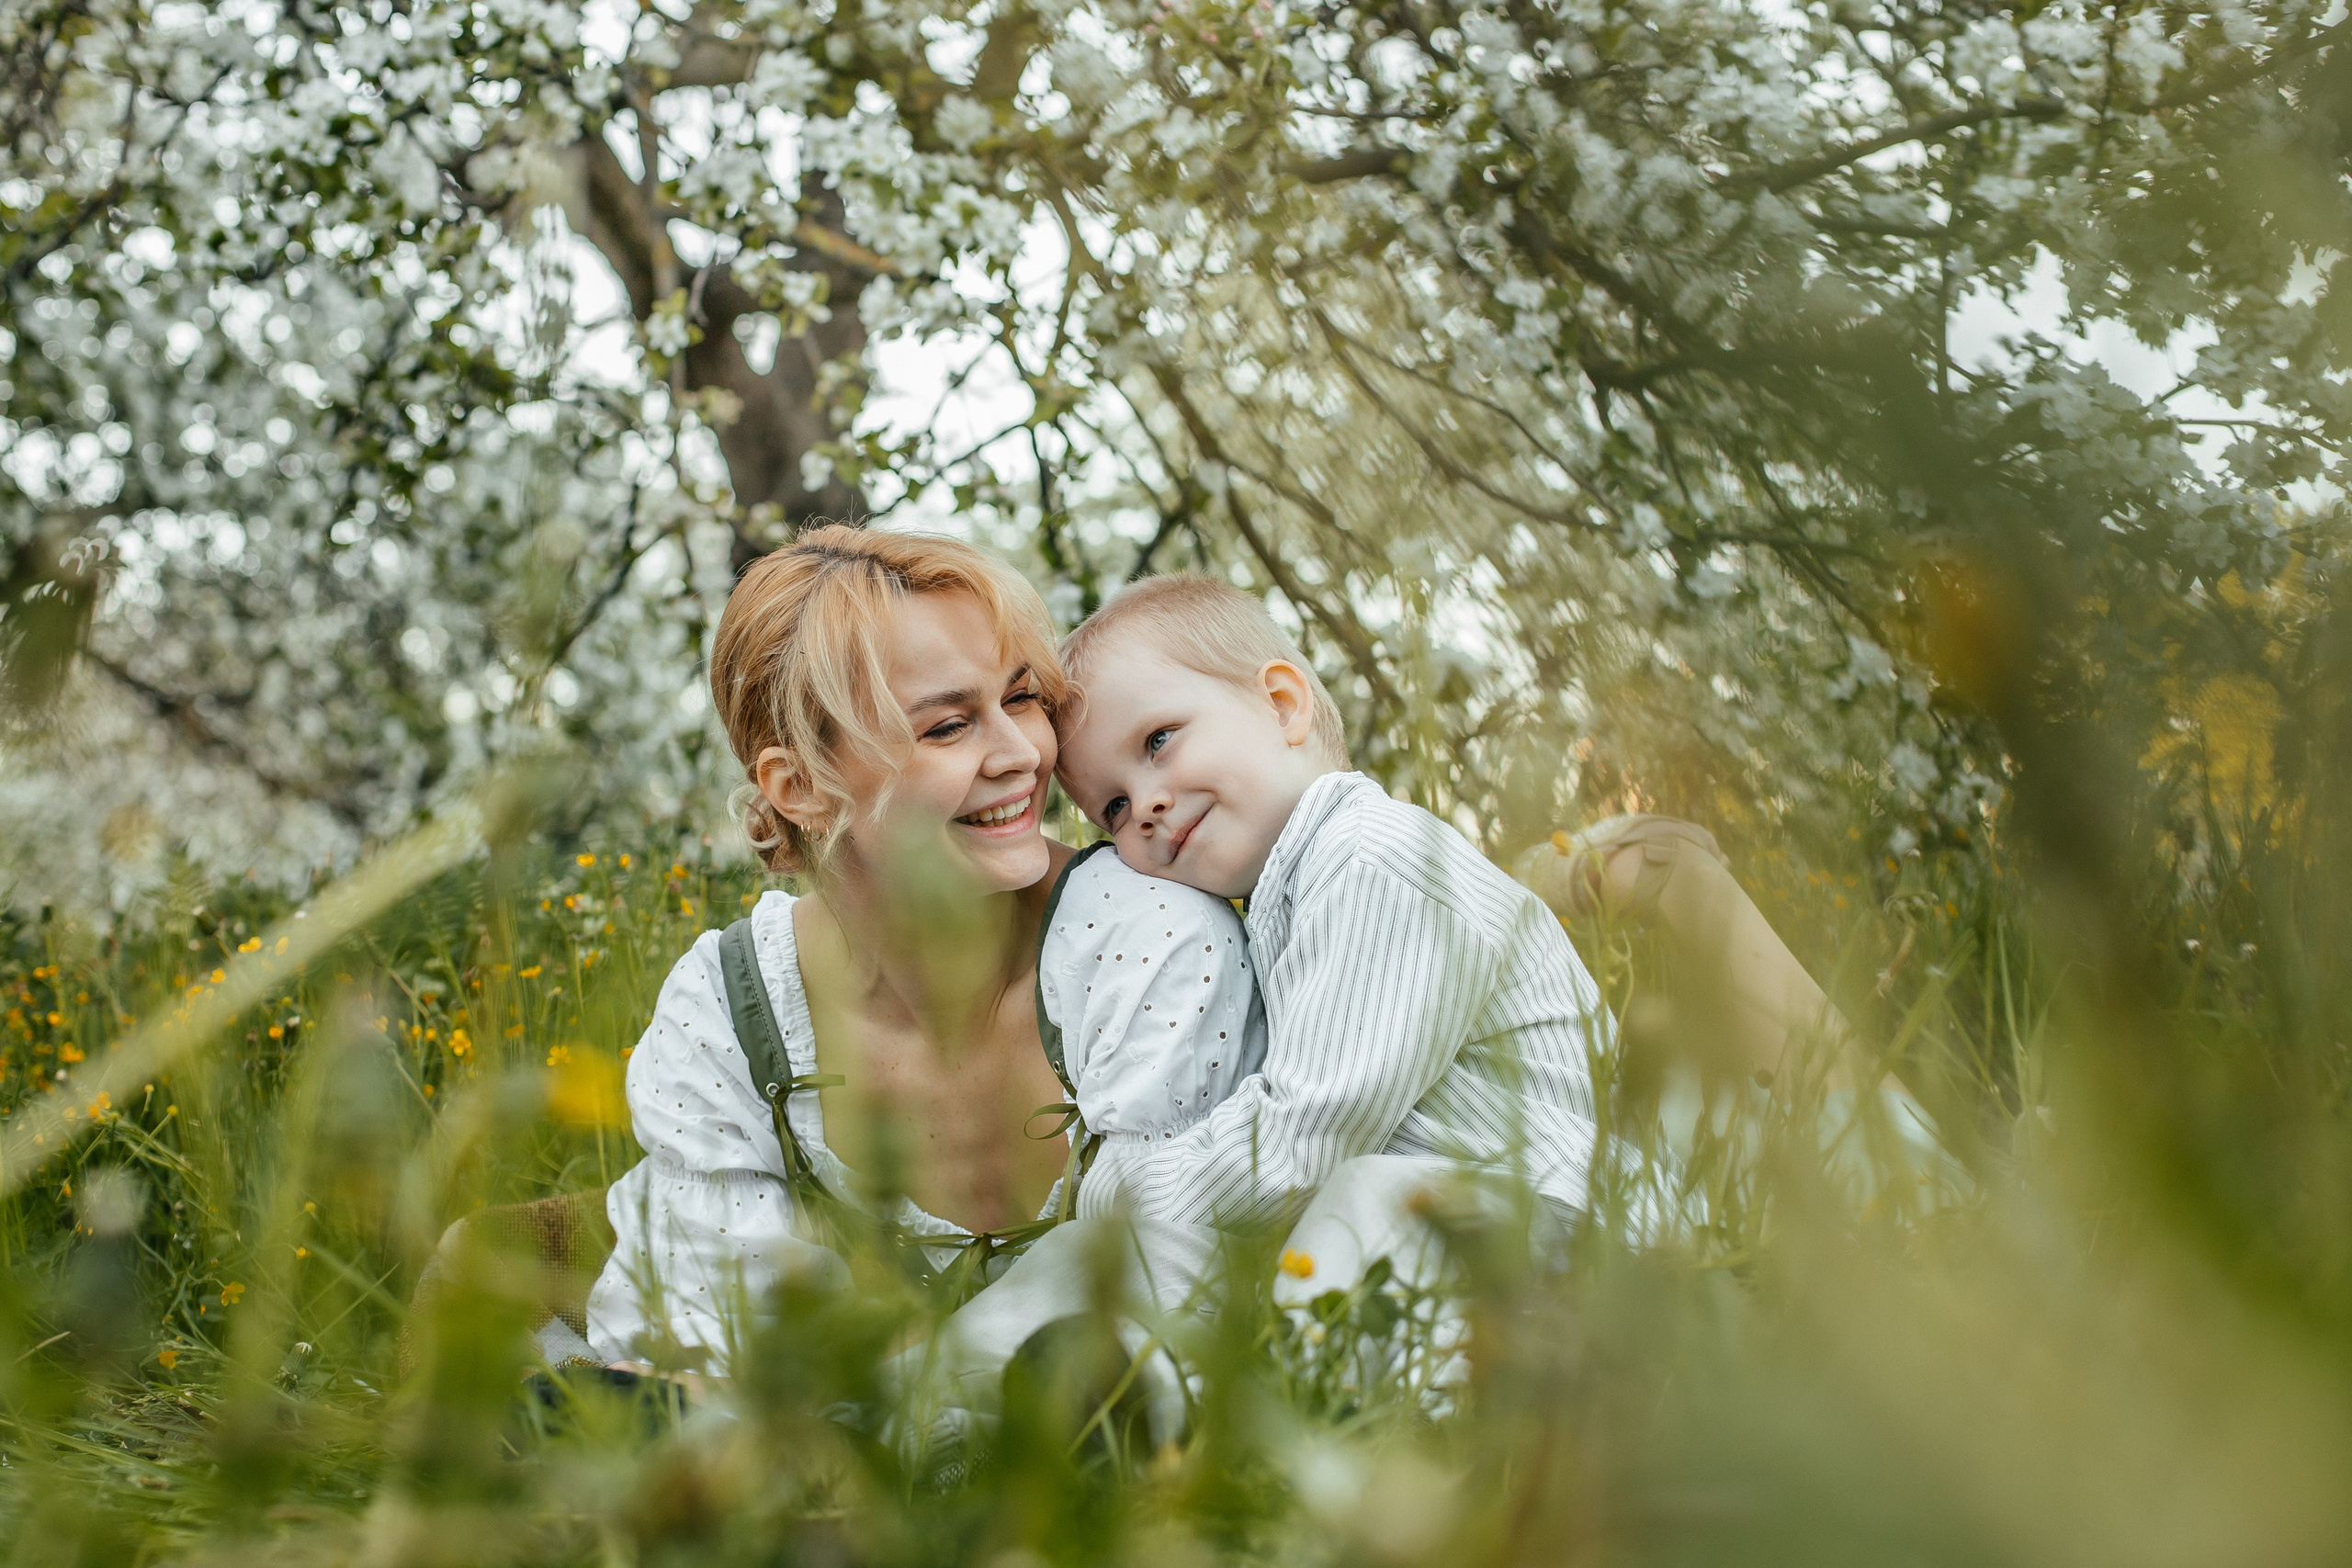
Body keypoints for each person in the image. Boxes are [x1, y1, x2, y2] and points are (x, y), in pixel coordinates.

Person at [584, 525, 1092, 1369]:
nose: (1020, 754)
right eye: (948, 726)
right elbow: (716, 1338)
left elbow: (1195, 1258)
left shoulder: (1136, 936)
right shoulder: (726, 1012)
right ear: (802, 787)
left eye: (1022, 698)